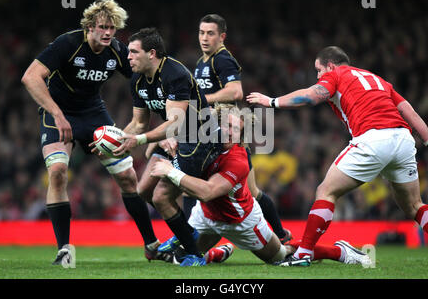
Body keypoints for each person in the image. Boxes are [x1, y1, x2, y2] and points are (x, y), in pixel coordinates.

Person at [247, 46, 428, 266]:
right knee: (415, 205)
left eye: (318, 70)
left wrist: (272, 101)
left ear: (330, 65)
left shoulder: (335, 74)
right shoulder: (375, 78)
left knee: (325, 191)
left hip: (373, 138)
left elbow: (312, 96)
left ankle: (303, 254)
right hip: (403, 139)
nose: (319, 76)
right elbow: (409, 111)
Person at [21, 0, 160, 265]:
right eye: (102, 27)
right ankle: (64, 250)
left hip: (94, 114)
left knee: (129, 178)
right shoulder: (68, 44)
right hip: (58, 114)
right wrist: (58, 115)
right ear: (89, 27)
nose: (108, 33)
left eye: (112, 28)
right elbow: (30, 77)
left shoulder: (118, 51)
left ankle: (151, 244)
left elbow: (144, 80)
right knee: (58, 172)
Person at [151, 104, 371, 266]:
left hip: (241, 221)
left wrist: (171, 171)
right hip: (207, 216)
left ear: (241, 135)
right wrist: (164, 139)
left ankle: (338, 251)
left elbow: (208, 192)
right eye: (226, 125)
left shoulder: (237, 160)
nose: (229, 131)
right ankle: (217, 253)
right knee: (180, 258)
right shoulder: (203, 140)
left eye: (235, 129)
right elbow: (174, 131)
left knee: (282, 257)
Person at [113, 27, 222, 266]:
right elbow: (139, 122)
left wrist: (142, 140)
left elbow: (176, 121)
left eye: (133, 52)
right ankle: (187, 232)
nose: (127, 57)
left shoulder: (174, 73)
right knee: (143, 191)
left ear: (151, 53)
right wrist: (116, 139)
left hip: (200, 140)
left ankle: (194, 254)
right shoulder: (138, 79)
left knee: (161, 197)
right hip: (176, 137)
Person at [187, 13, 292, 244]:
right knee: (200, 186)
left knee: (195, 185)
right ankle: (281, 235)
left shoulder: (223, 59)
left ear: (222, 36)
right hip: (209, 133)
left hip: (224, 135)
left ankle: (281, 236)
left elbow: (236, 92)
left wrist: (204, 100)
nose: (204, 38)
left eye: (210, 33)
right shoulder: (202, 61)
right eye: (201, 32)